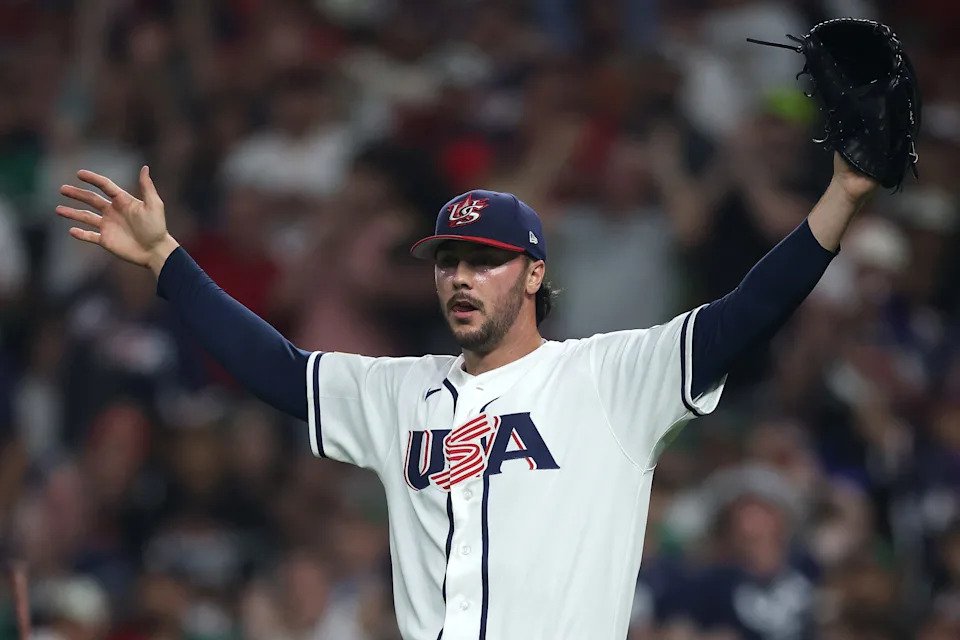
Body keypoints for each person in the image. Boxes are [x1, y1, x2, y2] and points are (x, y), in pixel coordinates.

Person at [55, 151, 877, 639]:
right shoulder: (398, 391)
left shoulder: (609, 377)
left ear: (535, 273)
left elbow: (746, 316)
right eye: (448, 260)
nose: (460, 276)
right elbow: (274, 367)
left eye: (485, 260)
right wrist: (167, 260)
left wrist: (839, 199)